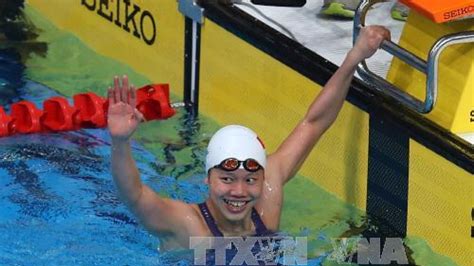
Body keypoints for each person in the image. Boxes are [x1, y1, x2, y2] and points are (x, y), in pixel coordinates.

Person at [107, 25, 391, 251]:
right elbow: (135, 196)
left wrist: (354, 56)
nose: (239, 192)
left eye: (250, 180)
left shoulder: (268, 198)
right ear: (208, 179)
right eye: (227, 179)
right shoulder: (188, 225)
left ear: (262, 178)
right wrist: (120, 143)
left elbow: (314, 123)